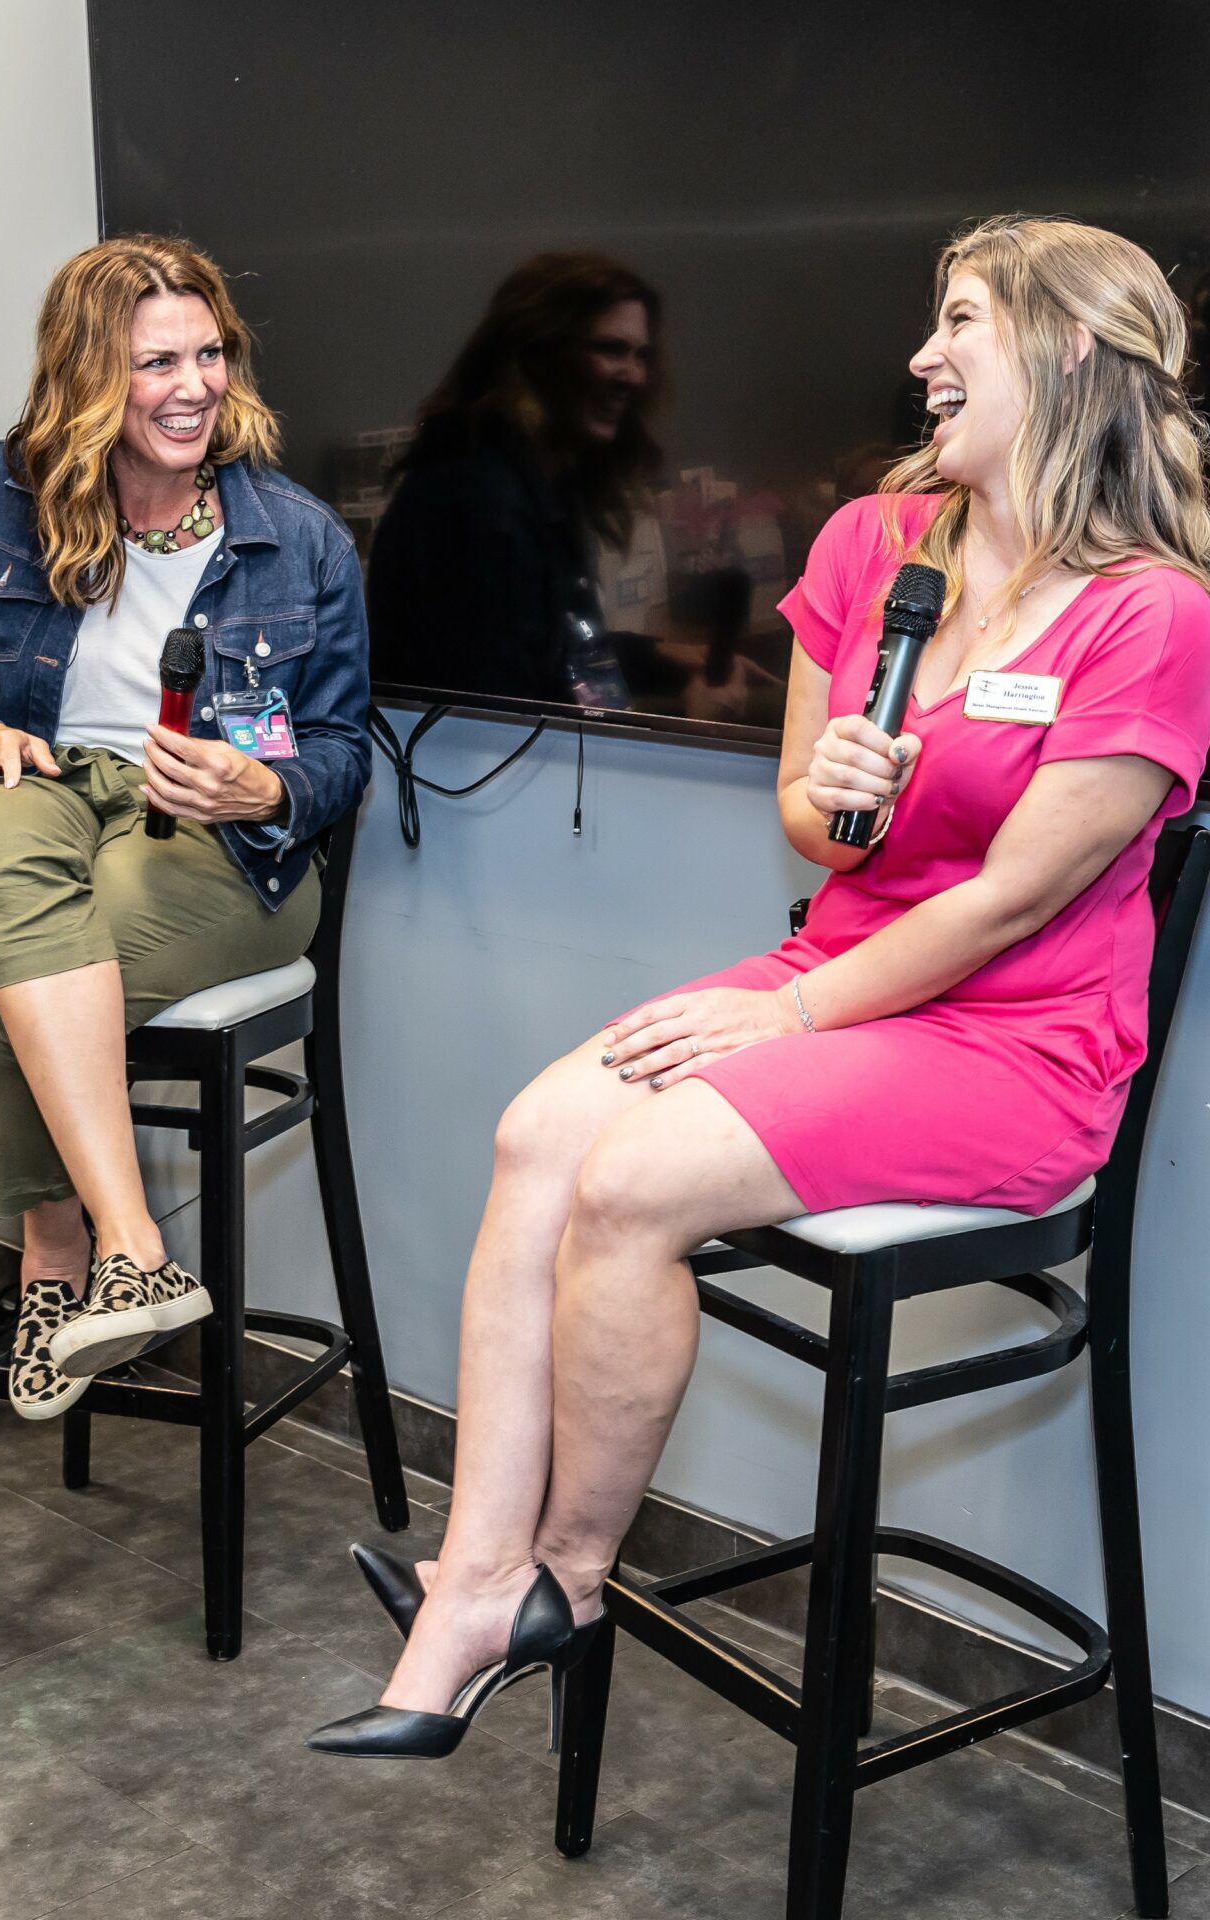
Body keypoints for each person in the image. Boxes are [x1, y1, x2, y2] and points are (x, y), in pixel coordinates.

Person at [307, 214, 1210, 1761]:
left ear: (1068, 348)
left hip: (1017, 1040)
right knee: (538, 1136)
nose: (921, 357)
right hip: (840, 971)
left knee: (635, 1177)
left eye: (961, 321)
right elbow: (808, 817)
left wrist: (784, 1014)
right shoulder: (878, 545)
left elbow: (1012, 899)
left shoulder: (1156, 615)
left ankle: (566, 1583)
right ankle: (474, 1580)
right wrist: (837, 795)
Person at [0, 235, 370, 1419]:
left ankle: (57, 1259)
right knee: (0, 819)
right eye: (155, 363)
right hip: (46, 801)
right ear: (87, 374)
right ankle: (137, 1249)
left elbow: (339, 750)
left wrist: (263, 790)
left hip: (216, 849)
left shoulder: (298, 537)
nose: (193, 387)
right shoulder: (1, 492)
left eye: (209, 355)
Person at [367, 252, 666, 710]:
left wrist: (667, 659)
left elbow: (554, 649)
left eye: (641, 355)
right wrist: (684, 718)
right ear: (538, 354)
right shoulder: (483, 505)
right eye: (610, 349)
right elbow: (507, 716)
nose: (634, 376)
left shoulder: (535, 481)